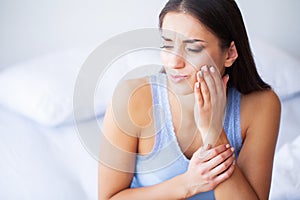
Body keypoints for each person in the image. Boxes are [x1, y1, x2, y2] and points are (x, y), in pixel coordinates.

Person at [98, 0, 281, 199]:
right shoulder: (132, 98)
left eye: (193, 49)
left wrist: (213, 133)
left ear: (230, 53)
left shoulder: (262, 105)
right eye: (167, 45)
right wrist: (188, 184)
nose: (174, 62)